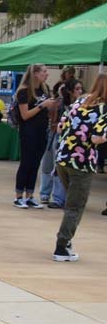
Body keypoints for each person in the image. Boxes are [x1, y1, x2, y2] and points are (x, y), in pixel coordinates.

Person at [52, 73, 107, 261]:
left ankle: (65, 242)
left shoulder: (79, 102)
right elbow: (96, 138)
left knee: (71, 204)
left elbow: (60, 127)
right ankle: (61, 246)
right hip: (82, 163)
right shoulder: (104, 108)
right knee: (75, 207)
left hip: (63, 158)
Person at [12, 63, 58, 209]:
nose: (47, 74)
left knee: (36, 163)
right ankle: (18, 196)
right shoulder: (24, 91)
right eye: (44, 71)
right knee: (26, 162)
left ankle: (30, 195)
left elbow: (45, 110)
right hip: (28, 131)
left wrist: (52, 107)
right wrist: (42, 105)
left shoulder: (45, 89)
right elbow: (25, 115)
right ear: (35, 74)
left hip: (42, 130)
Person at [39, 67, 77, 206]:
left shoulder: (75, 104)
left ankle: (58, 197)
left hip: (64, 135)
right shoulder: (56, 100)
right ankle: (45, 193)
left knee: (58, 166)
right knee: (48, 163)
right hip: (53, 132)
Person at [49, 79, 83, 209]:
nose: (80, 91)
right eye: (77, 89)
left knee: (74, 171)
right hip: (62, 138)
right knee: (59, 168)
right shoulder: (62, 104)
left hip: (78, 140)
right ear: (70, 91)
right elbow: (57, 124)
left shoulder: (84, 105)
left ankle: (71, 199)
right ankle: (58, 198)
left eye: (81, 89)